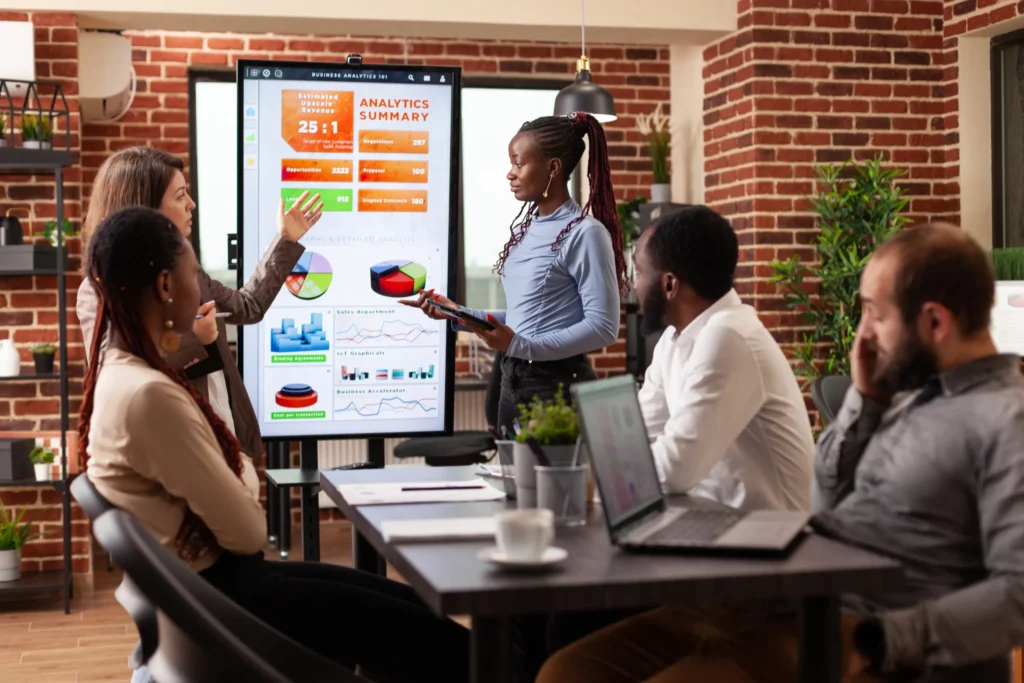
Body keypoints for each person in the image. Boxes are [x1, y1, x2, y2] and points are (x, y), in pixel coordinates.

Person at [537, 223, 1024, 683]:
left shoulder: (1005, 421)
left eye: (875, 313)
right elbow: (826, 499)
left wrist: (879, 643)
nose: (865, 333)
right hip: (781, 601)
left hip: (860, 631)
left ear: (935, 321)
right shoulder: (906, 393)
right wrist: (864, 400)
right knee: (566, 671)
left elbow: (1018, 593)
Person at [80, 206, 469, 683]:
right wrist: (241, 470)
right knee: (444, 642)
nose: (197, 285)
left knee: (411, 606)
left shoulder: (124, 376)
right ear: (164, 286)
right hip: (229, 599)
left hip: (214, 591)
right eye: (189, 271)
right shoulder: (150, 395)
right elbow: (247, 532)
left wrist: (234, 475)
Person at [545, 205, 815, 655]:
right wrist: (572, 463)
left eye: (639, 271)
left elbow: (675, 467)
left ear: (669, 283)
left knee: (569, 621)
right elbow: (638, 431)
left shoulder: (727, 337)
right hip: (709, 537)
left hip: (764, 566)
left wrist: (587, 474)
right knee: (556, 614)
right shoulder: (677, 339)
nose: (631, 286)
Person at [77, 146, 323, 462]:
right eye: (180, 196)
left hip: (223, 438)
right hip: (175, 450)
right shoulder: (98, 292)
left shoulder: (189, 273)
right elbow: (110, 375)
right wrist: (195, 339)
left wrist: (286, 241)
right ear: (146, 209)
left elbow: (248, 306)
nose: (192, 204)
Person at [401, 111, 625, 434]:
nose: (510, 174)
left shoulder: (585, 234)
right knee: (511, 483)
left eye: (519, 164)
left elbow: (603, 328)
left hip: (556, 389)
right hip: (512, 380)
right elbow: (523, 317)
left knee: (551, 485)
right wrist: (457, 313)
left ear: (553, 168)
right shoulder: (528, 230)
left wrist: (521, 345)